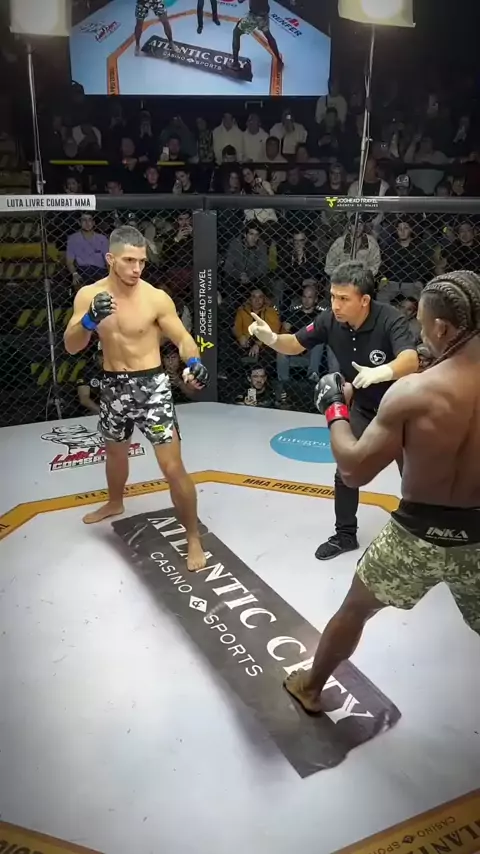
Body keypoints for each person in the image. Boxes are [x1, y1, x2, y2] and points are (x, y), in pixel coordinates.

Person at [283, 270, 480, 712]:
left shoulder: (415, 391)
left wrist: (335, 409)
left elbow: (353, 471)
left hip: (416, 533)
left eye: (423, 326)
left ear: (441, 328)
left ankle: (310, 688)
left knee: (355, 609)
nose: (420, 336)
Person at [248, 261, 419, 560]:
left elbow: (410, 359)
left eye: (343, 298)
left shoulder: (389, 318)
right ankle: (345, 534)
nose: (335, 305)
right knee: (346, 470)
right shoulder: (330, 320)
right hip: (365, 407)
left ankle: (420, 538)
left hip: (401, 409)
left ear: (364, 300)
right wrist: (271, 338)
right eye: (332, 297)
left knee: (414, 478)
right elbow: (295, 343)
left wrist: (382, 372)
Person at [63, 225, 209, 572]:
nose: (137, 268)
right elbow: (71, 346)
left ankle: (193, 536)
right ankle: (115, 502)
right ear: (110, 259)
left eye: (142, 261)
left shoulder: (155, 297)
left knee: (172, 467)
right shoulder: (89, 295)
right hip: (112, 384)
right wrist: (89, 320)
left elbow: (183, 338)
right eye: (129, 260)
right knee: (115, 451)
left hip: (151, 386)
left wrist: (194, 363)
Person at [232, 0, 283, 74]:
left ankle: (235, 64)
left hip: (254, 16)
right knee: (268, 35)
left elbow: (240, 1)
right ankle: (279, 60)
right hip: (264, 14)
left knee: (236, 33)